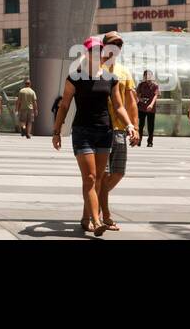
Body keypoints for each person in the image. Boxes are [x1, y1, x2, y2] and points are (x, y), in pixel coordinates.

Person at [53, 36, 137, 236]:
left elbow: (118, 106)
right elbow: (64, 106)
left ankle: (85, 218)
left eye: (99, 50)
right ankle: (96, 220)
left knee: (99, 178)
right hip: (82, 131)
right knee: (90, 178)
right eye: (92, 50)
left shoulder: (111, 79)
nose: (97, 54)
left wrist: (130, 125)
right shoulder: (75, 77)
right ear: (85, 53)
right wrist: (57, 132)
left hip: (104, 132)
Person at [98, 33, 139, 233]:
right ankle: (103, 215)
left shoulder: (124, 72)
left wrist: (135, 127)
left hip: (121, 129)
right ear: (103, 46)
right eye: (112, 44)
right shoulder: (94, 69)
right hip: (100, 128)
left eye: (119, 45)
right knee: (102, 175)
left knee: (118, 172)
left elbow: (131, 103)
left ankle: (93, 203)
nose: (116, 47)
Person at [136, 70, 160, 146]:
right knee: (140, 125)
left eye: (149, 75)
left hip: (151, 109)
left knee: (151, 126)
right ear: (144, 76)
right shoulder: (141, 85)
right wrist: (140, 99)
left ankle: (150, 142)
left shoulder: (155, 85)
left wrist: (151, 105)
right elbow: (137, 94)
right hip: (141, 107)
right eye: (146, 75)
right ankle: (139, 140)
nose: (148, 77)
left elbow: (156, 96)